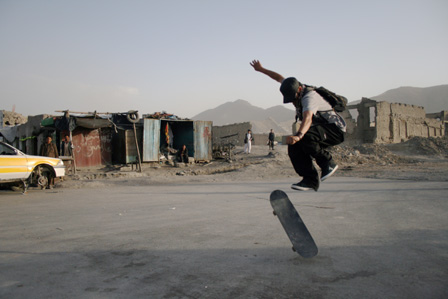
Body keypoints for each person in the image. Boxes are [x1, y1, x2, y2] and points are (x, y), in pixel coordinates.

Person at [250, 60, 346, 191]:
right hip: (319, 131)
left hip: (334, 130)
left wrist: (299, 135)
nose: (294, 103)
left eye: (294, 99)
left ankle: (327, 163)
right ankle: (310, 179)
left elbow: (307, 118)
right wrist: (261, 69)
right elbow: (278, 78)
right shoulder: (292, 86)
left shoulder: (309, 97)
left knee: (305, 137)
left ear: (299, 90)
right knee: (294, 146)